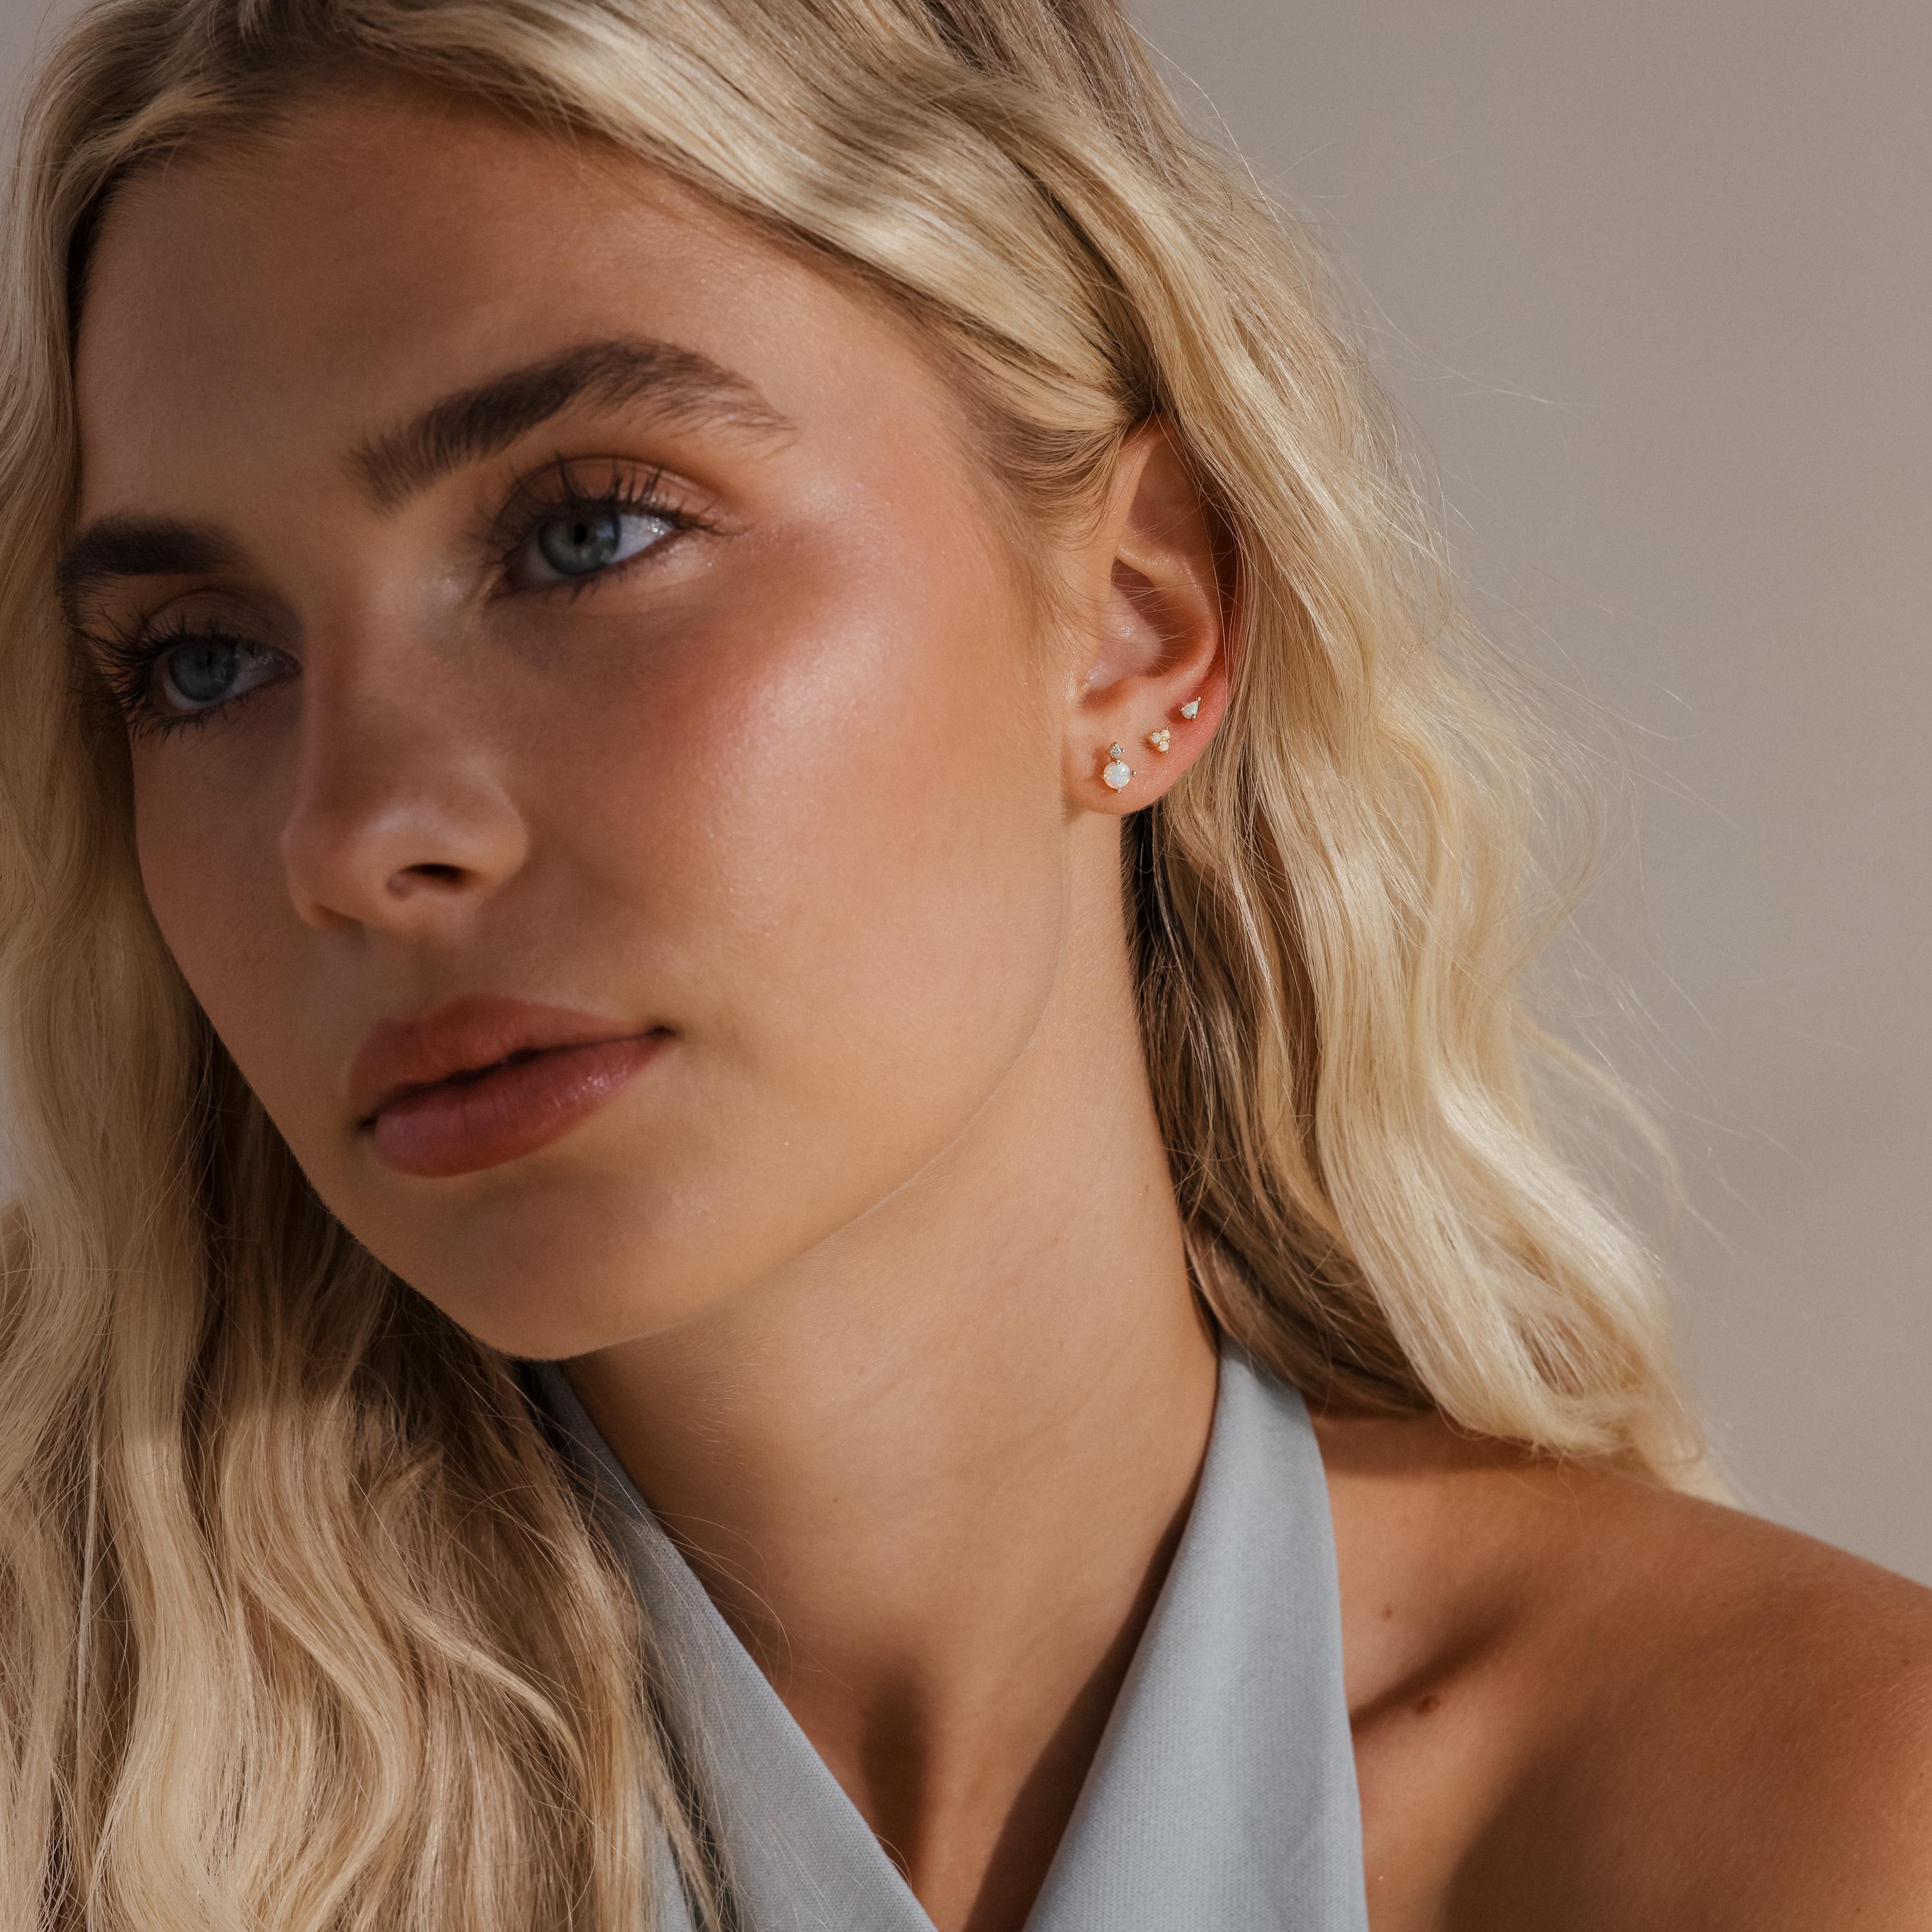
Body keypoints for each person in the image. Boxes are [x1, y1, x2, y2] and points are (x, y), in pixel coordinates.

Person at [1, 0, 1926, 1926]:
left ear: (1136, 622)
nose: (350, 836)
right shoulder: (70, 1789)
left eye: (587, 533)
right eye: (204, 660)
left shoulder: (1808, 1814)